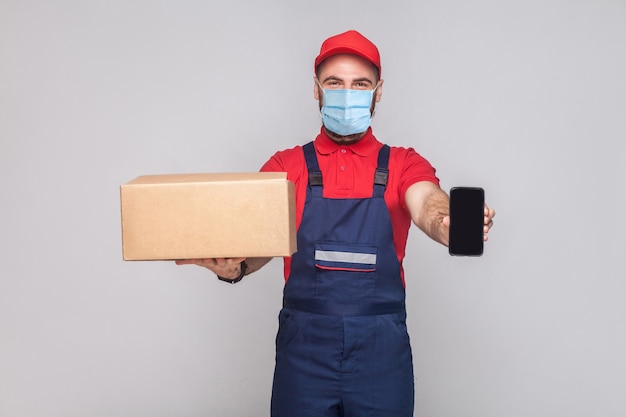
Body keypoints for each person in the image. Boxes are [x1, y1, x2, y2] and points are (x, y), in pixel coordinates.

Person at [176, 29, 496, 417]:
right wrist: (237, 266)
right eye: (335, 83)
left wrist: (447, 221)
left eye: (360, 84)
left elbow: (426, 200)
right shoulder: (285, 166)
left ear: (378, 91)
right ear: (317, 90)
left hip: (381, 352)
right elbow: (262, 240)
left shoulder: (403, 163)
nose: (348, 94)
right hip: (305, 352)